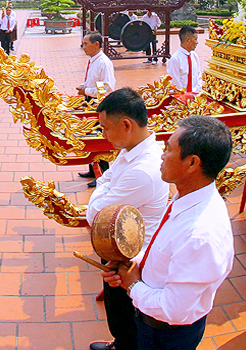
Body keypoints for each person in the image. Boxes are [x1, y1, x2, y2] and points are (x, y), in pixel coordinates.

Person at [101, 116, 234, 350]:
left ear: (192, 163)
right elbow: (165, 254)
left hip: (167, 333)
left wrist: (133, 285)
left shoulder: (199, 235)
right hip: (151, 320)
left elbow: (173, 309)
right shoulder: (187, 198)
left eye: (169, 149)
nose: (162, 155)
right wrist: (133, 264)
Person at [86, 88, 170, 350]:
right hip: (118, 243)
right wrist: (106, 186)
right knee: (118, 313)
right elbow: (107, 181)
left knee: (127, 316)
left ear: (126, 125)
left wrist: (102, 188)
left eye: (105, 128)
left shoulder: (143, 170)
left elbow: (97, 214)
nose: (104, 135)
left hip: (132, 256)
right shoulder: (133, 149)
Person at [78, 32, 115, 98]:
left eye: (86, 44)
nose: (84, 47)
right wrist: (83, 86)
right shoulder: (93, 60)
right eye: (82, 44)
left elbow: (107, 89)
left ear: (96, 44)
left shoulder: (104, 63)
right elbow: (94, 82)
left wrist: (86, 91)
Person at [166, 26, 201, 94]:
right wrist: (184, 96)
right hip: (181, 98)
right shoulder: (175, 59)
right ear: (188, 40)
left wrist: (197, 92)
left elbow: (198, 77)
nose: (197, 42)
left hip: (195, 97)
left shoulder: (194, 56)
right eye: (195, 39)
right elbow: (175, 83)